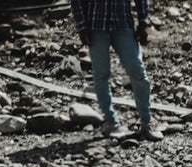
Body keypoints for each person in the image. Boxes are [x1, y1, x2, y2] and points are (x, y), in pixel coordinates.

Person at [70, 0, 163, 141]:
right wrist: (82, 26)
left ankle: (146, 122)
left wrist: (143, 21)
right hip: (96, 25)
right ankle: (111, 123)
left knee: (138, 71)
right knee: (101, 74)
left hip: (123, 23)